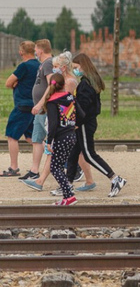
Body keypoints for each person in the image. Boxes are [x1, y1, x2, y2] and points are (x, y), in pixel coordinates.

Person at [23, 51, 92, 192]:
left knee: (56, 152)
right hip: (65, 122)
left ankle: (42, 181)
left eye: (55, 66)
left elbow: (63, 101)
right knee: (75, 152)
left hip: (64, 122)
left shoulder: (69, 82)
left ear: (63, 67)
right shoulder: (60, 80)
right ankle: (89, 180)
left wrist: (46, 106)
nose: (53, 69)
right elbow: (50, 91)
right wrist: (40, 105)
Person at [66, 52, 127, 197]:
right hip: (87, 122)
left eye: (76, 67)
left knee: (89, 155)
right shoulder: (90, 81)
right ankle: (66, 185)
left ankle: (115, 178)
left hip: (84, 124)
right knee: (73, 153)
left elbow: (83, 108)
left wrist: (76, 123)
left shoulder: (85, 84)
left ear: (82, 66)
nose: (75, 70)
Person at [2, 41, 40, 177]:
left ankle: (14, 167)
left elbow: (8, 82)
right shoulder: (39, 65)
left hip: (22, 105)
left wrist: (16, 84)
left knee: (12, 135)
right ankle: (62, 160)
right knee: (32, 138)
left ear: (21, 52)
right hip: (35, 105)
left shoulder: (23, 66)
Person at [20, 39, 54, 181]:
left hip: (45, 108)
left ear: (40, 49)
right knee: (36, 139)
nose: (34, 52)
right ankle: (34, 170)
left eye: (36, 49)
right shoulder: (43, 64)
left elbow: (52, 84)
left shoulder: (48, 63)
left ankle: (75, 166)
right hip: (40, 110)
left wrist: (41, 103)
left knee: (54, 140)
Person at [42, 72, 78, 206]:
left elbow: (53, 124)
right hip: (71, 136)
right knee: (60, 166)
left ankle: (69, 196)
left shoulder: (52, 102)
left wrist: (48, 141)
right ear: (64, 84)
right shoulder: (70, 97)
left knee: (55, 167)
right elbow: (80, 112)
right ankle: (68, 196)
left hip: (61, 138)